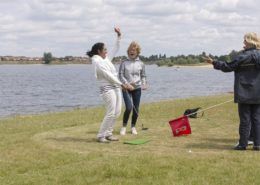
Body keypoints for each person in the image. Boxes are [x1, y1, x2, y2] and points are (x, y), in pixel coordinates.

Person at [203, 32, 260, 151]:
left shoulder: (242, 57)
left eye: (245, 40)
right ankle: (257, 144)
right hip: (258, 92)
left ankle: (243, 144)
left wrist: (213, 62)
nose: (243, 43)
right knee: (257, 118)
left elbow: (227, 67)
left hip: (244, 92)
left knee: (245, 119)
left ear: (250, 41)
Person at [86, 27, 133, 143]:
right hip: (107, 88)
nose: (107, 51)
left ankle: (108, 133)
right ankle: (101, 135)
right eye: (105, 49)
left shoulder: (106, 58)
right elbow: (108, 76)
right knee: (111, 112)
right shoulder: (96, 61)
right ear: (99, 51)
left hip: (116, 87)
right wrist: (123, 84)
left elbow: (115, 48)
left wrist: (119, 36)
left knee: (117, 112)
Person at [119, 41, 147, 135]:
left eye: (134, 50)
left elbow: (143, 75)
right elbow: (120, 75)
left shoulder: (141, 63)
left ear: (137, 52)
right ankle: (123, 127)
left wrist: (144, 83)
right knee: (129, 107)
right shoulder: (124, 62)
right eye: (130, 50)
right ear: (128, 51)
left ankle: (133, 127)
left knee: (136, 108)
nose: (132, 51)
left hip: (137, 88)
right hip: (126, 88)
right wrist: (127, 84)